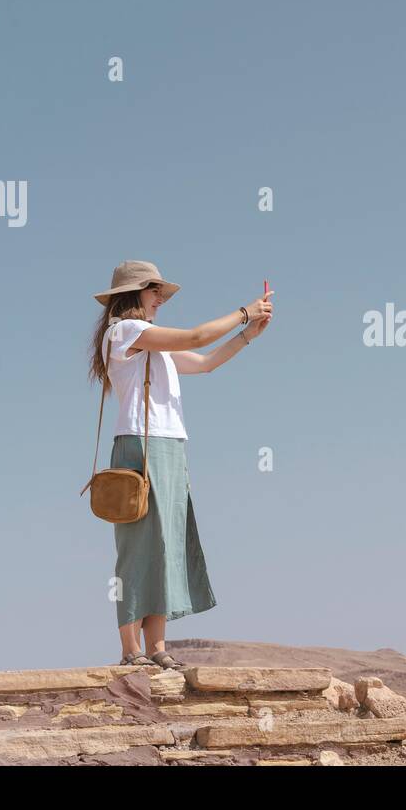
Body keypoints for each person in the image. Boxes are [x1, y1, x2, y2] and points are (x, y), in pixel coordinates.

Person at [87, 260, 273, 669]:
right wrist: (245, 312)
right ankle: (130, 649)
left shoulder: (153, 347)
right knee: (138, 546)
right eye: (153, 290)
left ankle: (156, 648)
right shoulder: (125, 332)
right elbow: (195, 335)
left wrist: (248, 335)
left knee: (166, 544)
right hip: (141, 445)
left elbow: (204, 362)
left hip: (169, 447)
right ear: (132, 295)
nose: (159, 299)